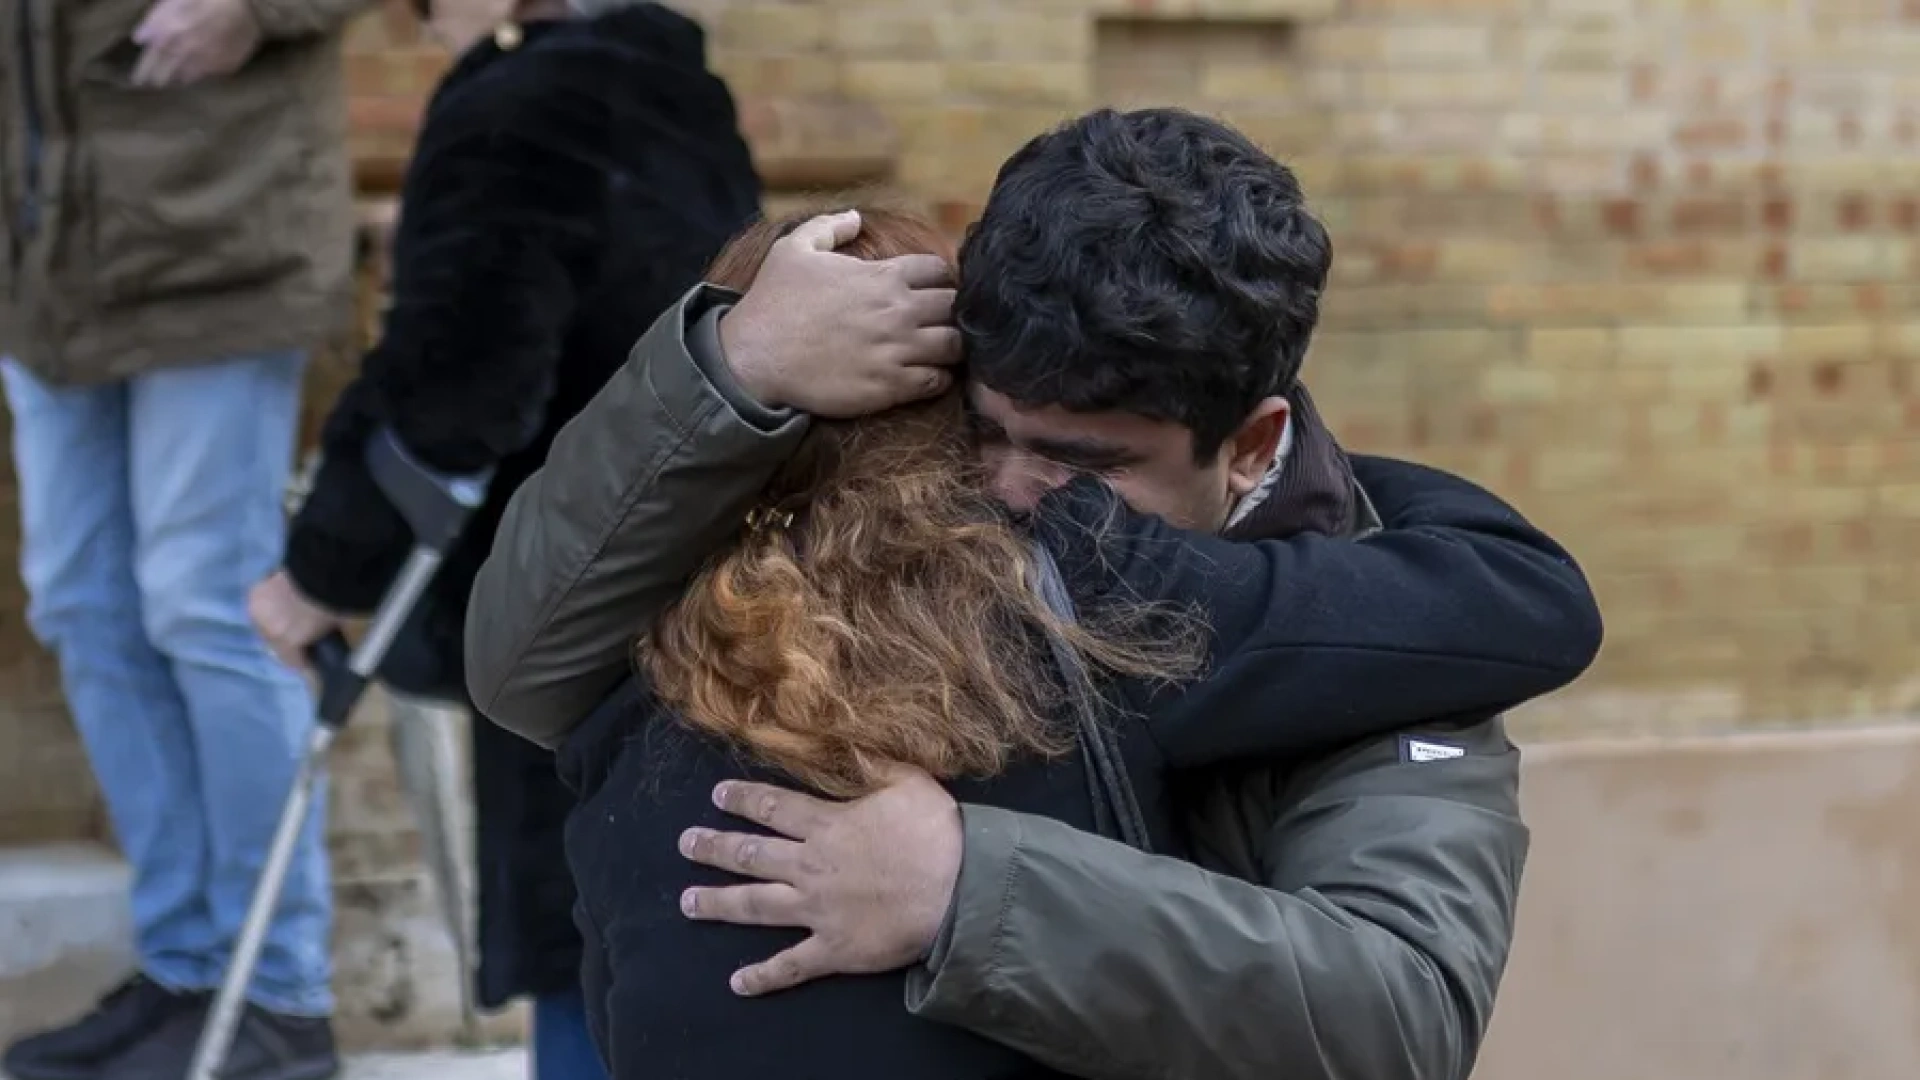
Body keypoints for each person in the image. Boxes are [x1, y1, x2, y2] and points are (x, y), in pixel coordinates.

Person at [468, 110, 1603, 1078]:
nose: (1007, 496)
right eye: (981, 431)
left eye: (1082, 464)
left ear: (1253, 447)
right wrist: (734, 372)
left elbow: (1398, 1015)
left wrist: (973, 890)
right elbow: (528, 667)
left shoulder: (1398, 635)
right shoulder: (868, 530)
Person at [239, 1, 760, 1077]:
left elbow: (453, 389)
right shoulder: (682, 88)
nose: (424, 22)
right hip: (718, 575)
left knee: (584, 934)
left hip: (572, 586)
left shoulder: (511, 105)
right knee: (676, 928)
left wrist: (319, 571)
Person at [1, 0, 378, 1076]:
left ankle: (280, 994)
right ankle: (187, 968)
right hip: (42, 258)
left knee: (209, 607)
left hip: (218, 238)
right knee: (82, 606)